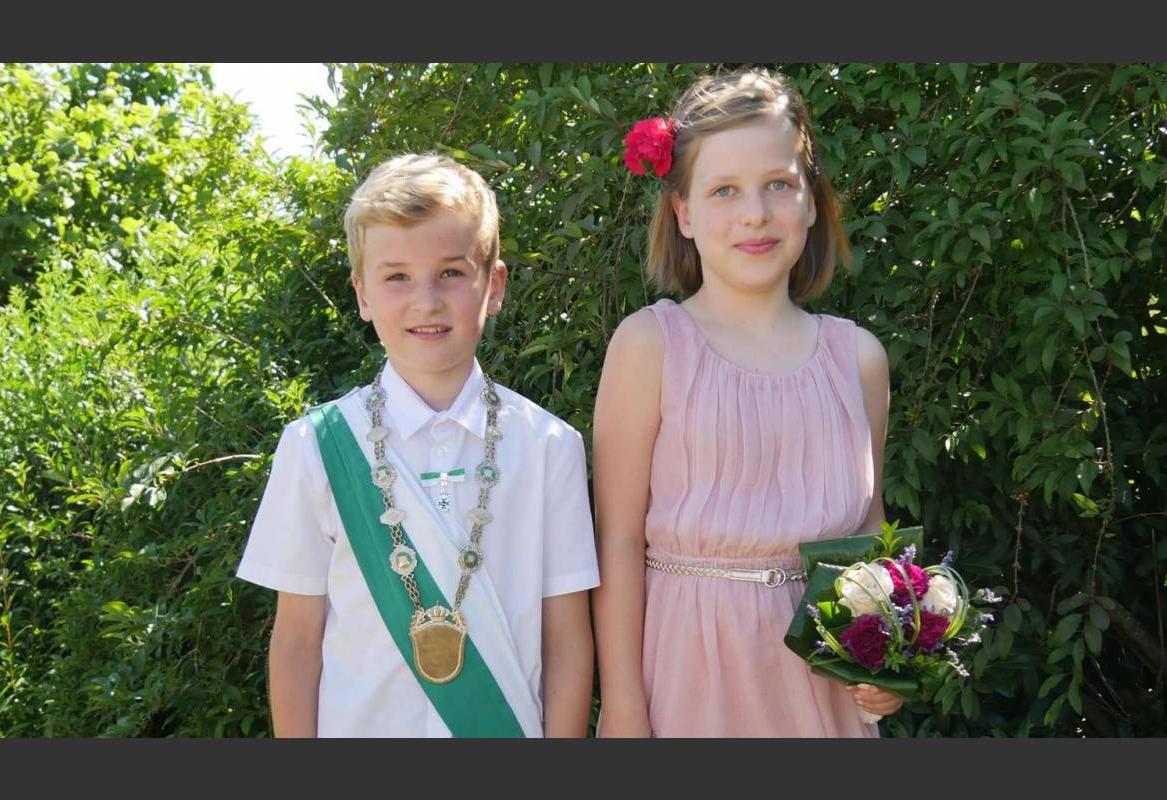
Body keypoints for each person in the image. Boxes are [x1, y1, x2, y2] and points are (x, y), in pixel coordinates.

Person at [237, 153, 599, 737]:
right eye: (396, 277)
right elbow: (298, 641)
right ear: (362, 294)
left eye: (451, 272)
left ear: (494, 286)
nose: (425, 300)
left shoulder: (549, 447)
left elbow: (567, 641)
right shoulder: (317, 448)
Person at [592, 68, 901, 737]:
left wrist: (888, 658)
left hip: (824, 688)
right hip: (690, 678)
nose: (755, 213)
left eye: (779, 185)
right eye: (724, 190)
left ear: (812, 202)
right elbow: (617, 540)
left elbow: (870, 529)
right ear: (684, 212)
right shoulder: (651, 346)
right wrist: (622, 709)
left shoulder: (858, 360)